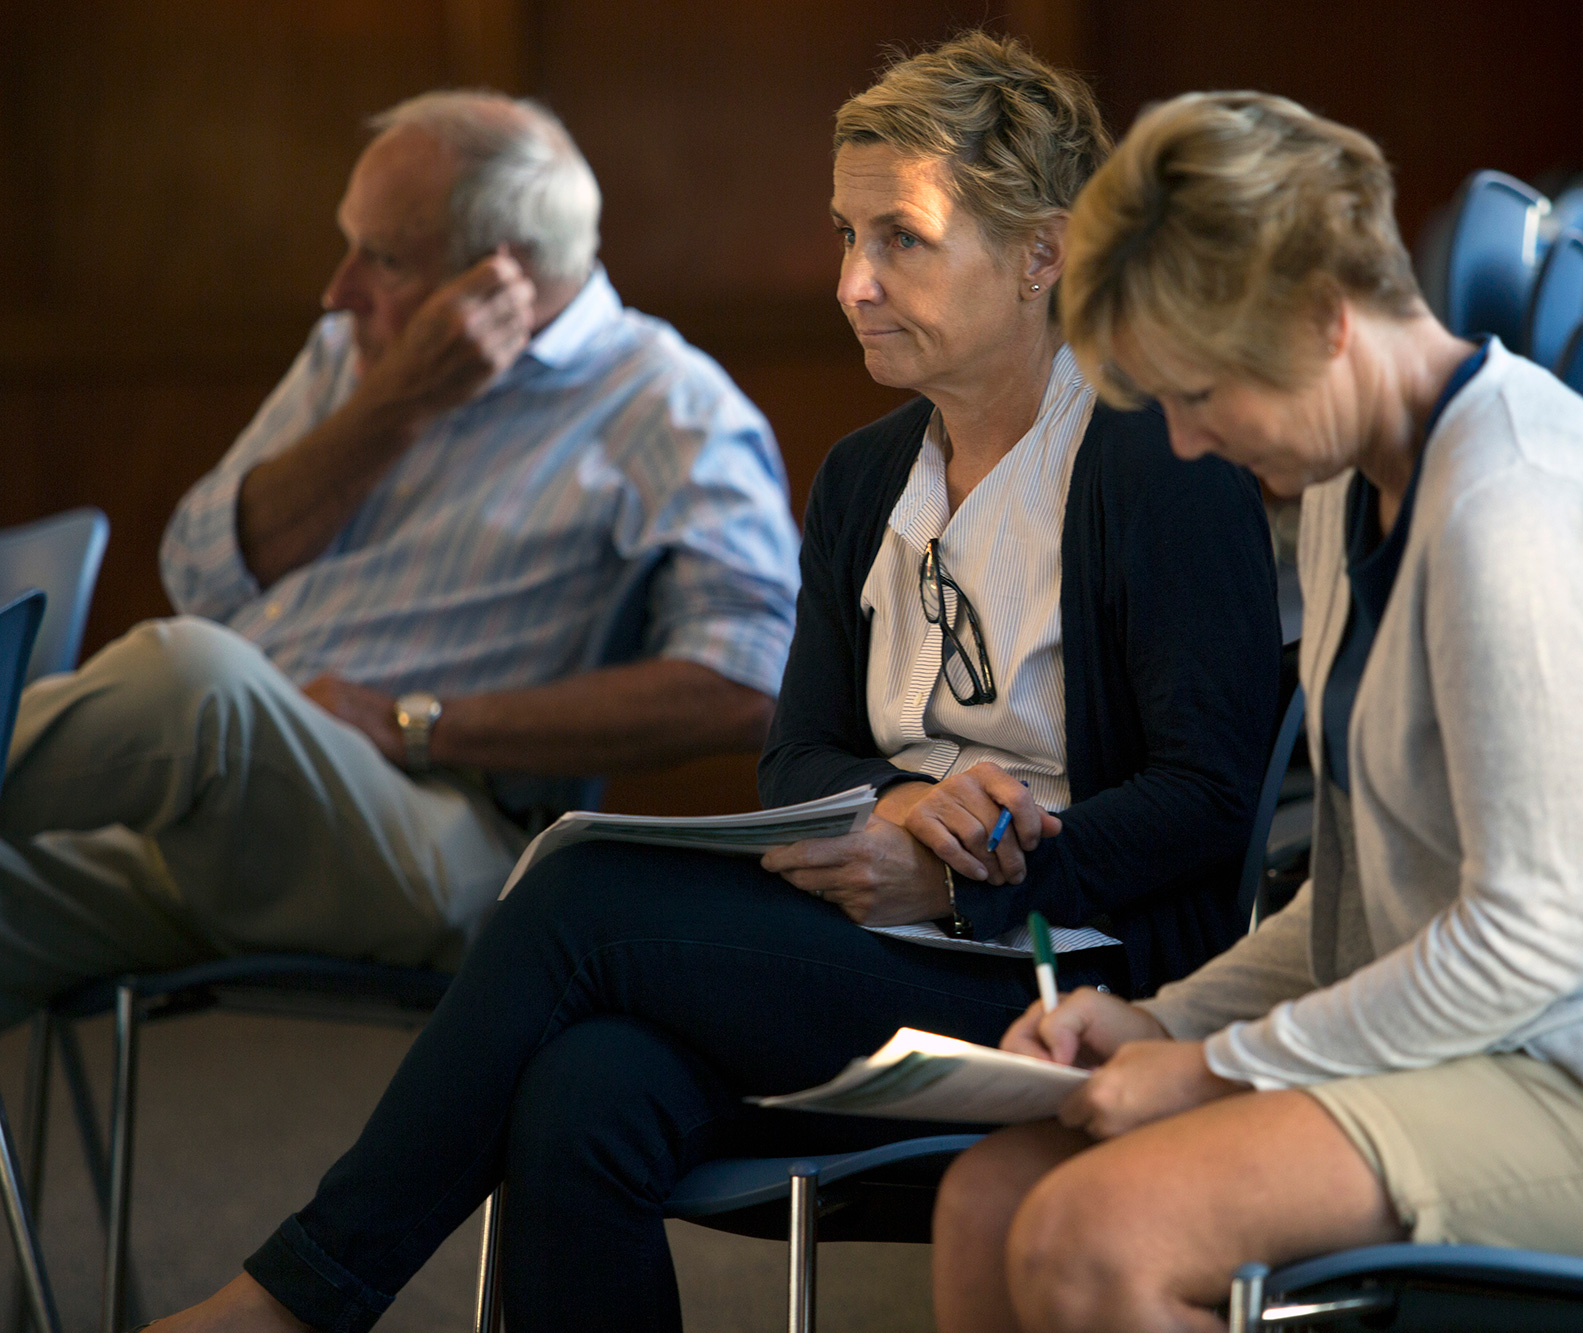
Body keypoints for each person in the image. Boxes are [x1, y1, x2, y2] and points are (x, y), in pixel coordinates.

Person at [149, 35, 1280, 1333]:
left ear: (1044, 252)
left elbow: (1211, 800)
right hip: (884, 942)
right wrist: (894, 817)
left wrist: (968, 874)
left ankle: (295, 1301)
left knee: (575, 890)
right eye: (846, 236)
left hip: (1067, 973)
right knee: (584, 1090)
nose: (852, 282)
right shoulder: (866, 476)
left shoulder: (1153, 459)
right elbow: (796, 756)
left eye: (901, 238)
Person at [927, 92, 1583, 1333]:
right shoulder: (1345, 483)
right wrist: (1162, 1018)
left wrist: (1207, 1071)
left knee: (1096, 1242)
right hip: (1507, 1041)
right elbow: (1362, 898)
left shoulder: (1511, 512)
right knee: (990, 1200)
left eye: (1201, 393)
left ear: (1323, 319)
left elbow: (1523, 942)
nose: (1188, 442)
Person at [0, 92, 800, 1022]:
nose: (337, 289)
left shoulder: (673, 408)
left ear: (500, 279)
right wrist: (397, 406)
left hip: (438, 835)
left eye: (380, 257)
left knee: (194, 674)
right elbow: (202, 570)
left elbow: (750, 681)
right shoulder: (355, 355)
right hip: (219, 809)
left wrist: (418, 723)